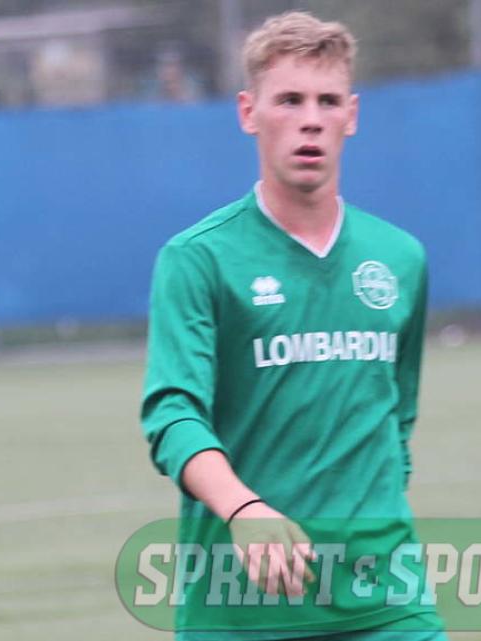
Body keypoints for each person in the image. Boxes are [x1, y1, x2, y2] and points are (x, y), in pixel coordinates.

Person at [140, 11, 445, 641]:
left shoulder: (400, 258)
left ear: (351, 116)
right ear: (248, 112)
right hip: (240, 609)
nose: (311, 119)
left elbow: (397, 417)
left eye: (327, 101)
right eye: (289, 100)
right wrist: (244, 509)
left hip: (387, 601)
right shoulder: (197, 259)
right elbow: (172, 415)